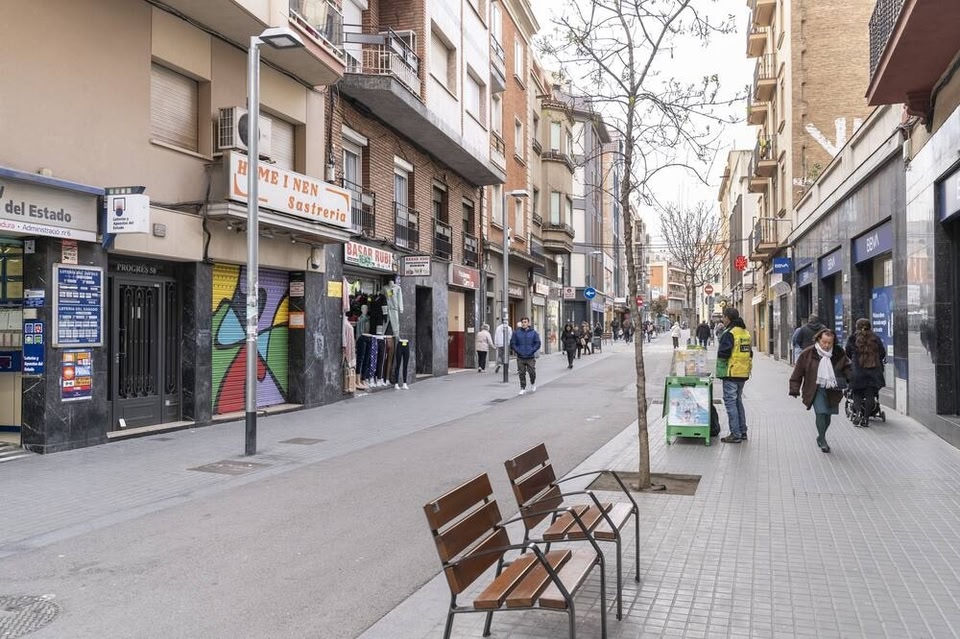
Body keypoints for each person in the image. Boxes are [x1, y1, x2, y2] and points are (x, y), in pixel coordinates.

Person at [790, 328, 852, 452]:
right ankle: (823, 440)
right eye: (824, 342)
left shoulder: (839, 353)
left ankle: (820, 436)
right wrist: (794, 388)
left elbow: (847, 368)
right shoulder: (808, 353)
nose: (827, 345)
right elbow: (798, 372)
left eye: (829, 343)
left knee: (827, 417)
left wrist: (851, 379)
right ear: (818, 339)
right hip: (815, 388)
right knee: (820, 412)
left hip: (832, 389)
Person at [716, 307, 753, 443]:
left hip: (731, 373)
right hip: (743, 373)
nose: (723, 320)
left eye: (724, 317)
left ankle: (735, 434)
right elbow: (750, 352)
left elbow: (724, 353)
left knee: (730, 403)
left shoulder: (729, 333)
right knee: (738, 401)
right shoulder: (745, 332)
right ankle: (742, 431)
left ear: (728, 318)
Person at [844, 318, 886, 426]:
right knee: (870, 394)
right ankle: (866, 418)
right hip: (874, 372)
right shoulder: (875, 338)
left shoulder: (852, 338)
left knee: (857, 393)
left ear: (856, 327)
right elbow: (882, 353)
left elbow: (847, 352)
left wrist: (855, 360)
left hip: (857, 371)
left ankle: (858, 413)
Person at [509, 317, 541, 395]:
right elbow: (513, 343)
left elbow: (537, 343)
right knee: (521, 373)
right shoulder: (516, 333)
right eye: (522, 322)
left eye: (525, 322)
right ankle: (523, 388)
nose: (524, 323)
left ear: (528, 323)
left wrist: (532, 350)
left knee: (532, 372)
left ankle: (532, 383)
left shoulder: (533, 332)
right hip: (520, 357)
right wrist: (518, 351)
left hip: (530, 356)